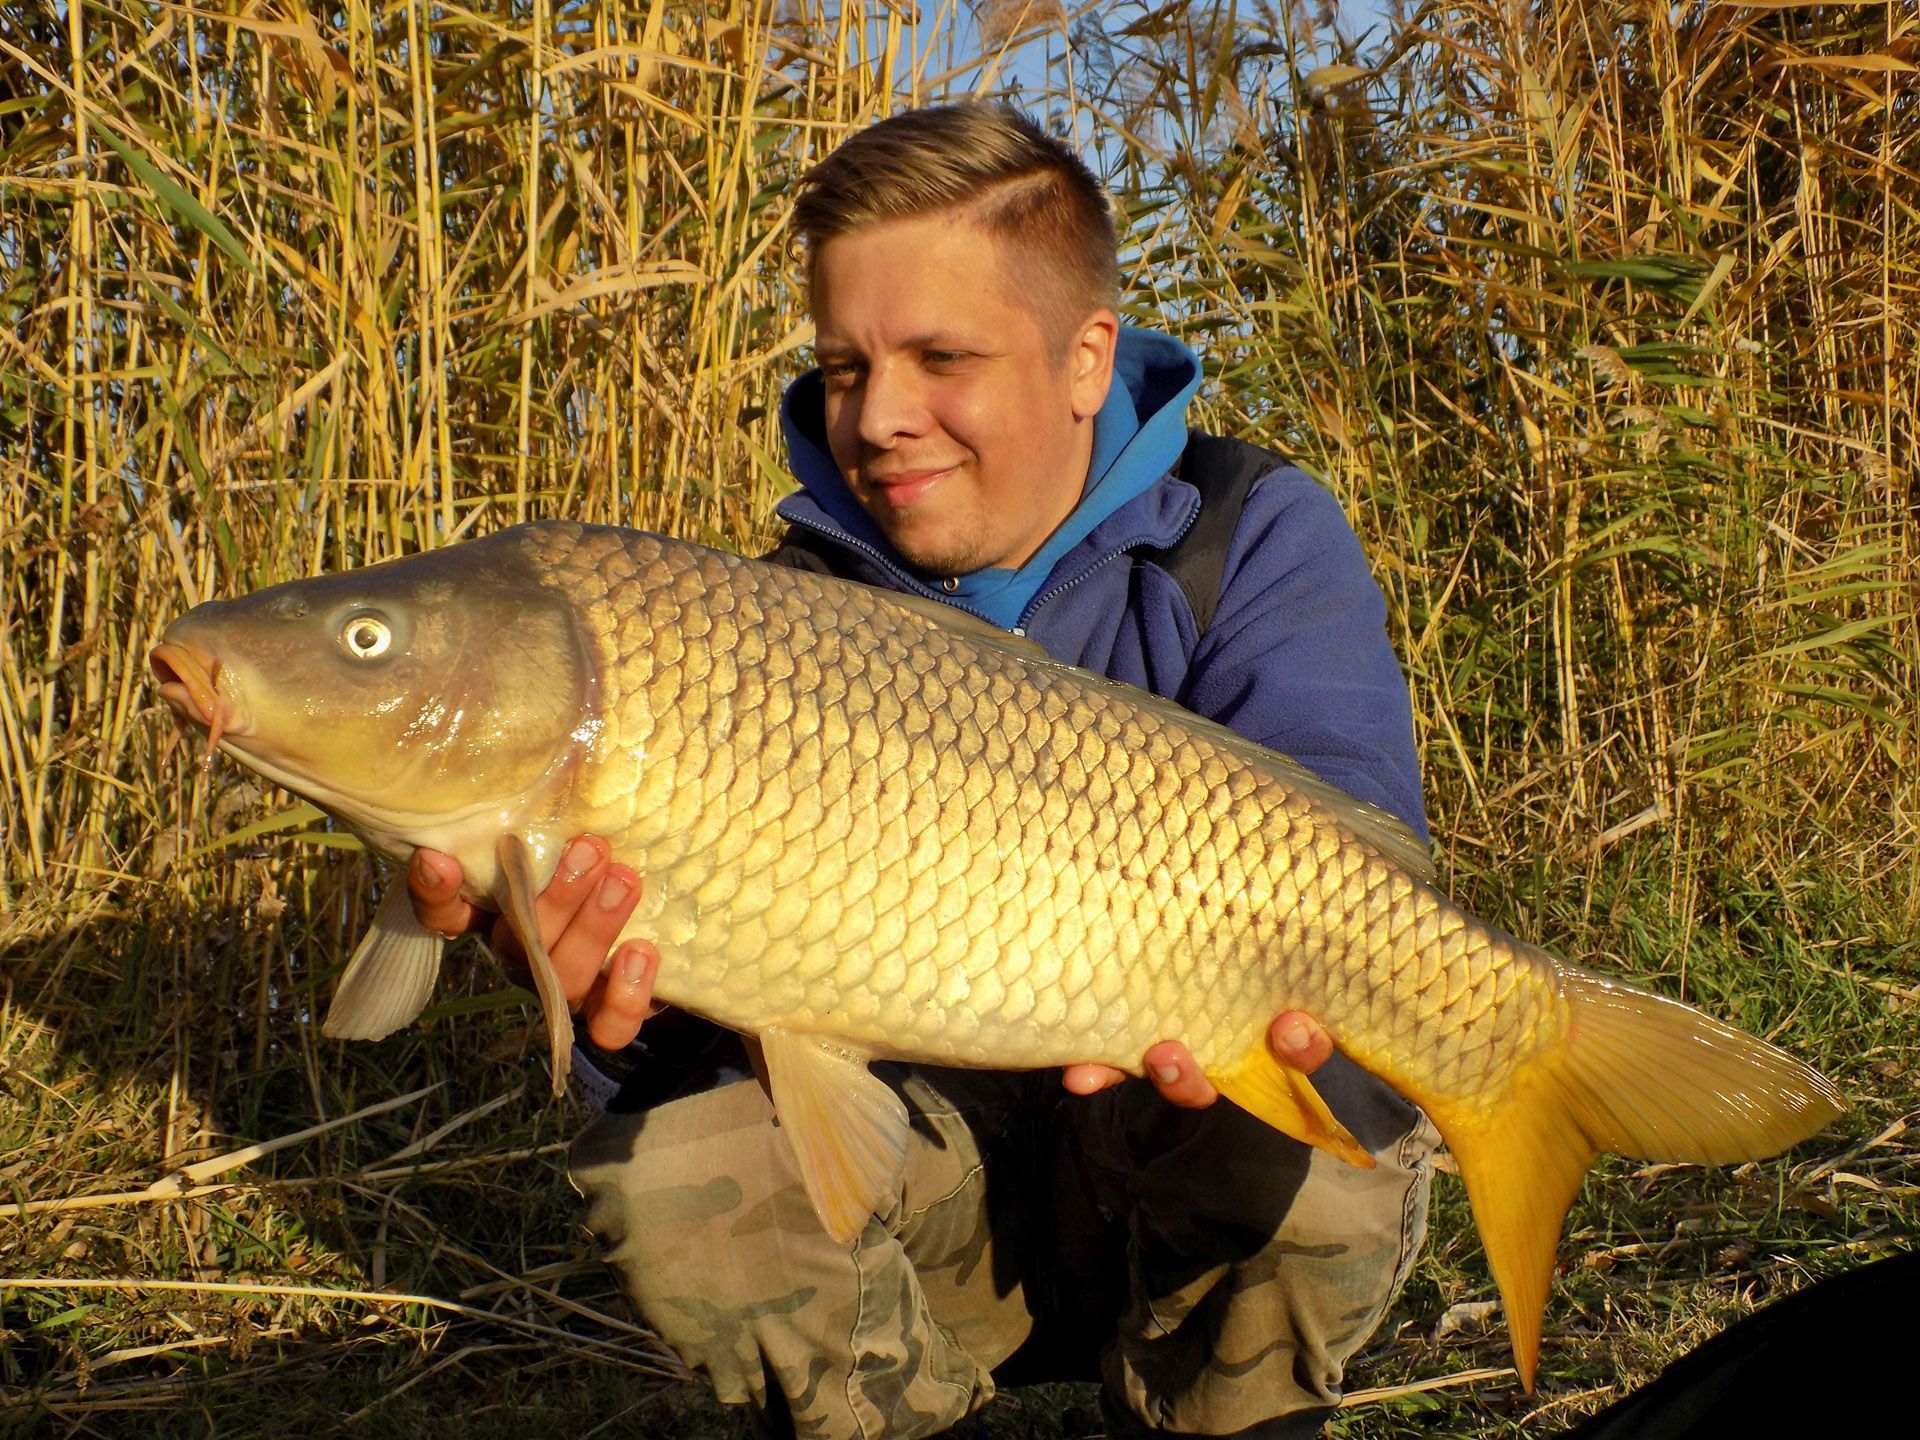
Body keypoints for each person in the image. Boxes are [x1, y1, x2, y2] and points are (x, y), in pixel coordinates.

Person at [408, 102, 1437, 1439]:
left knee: (1332, 1111)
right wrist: (603, 1003)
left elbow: (1370, 883)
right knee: (682, 1161)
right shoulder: (751, 637)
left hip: (1177, 1166)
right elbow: (690, 1054)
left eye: (941, 356)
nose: (880, 417)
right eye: (843, 367)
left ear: (1085, 362)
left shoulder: (1246, 537)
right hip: (932, 1193)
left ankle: (1224, 1417)